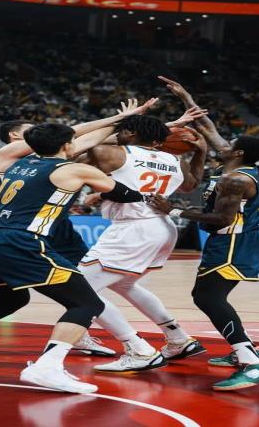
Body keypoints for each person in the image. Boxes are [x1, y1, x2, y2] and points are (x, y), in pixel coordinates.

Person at [0, 123, 148, 394]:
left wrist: (118, 121)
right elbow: (124, 194)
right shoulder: (73, 169)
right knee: (87, 303)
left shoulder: (15, 164)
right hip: (18, 241)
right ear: (67, 145)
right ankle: (47, 367)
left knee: (10, 300)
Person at [150, 76, 259, 391]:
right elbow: (207, 127)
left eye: (230, 144)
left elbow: (222, 218)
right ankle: (248, 349)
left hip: (236, 241)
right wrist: (185, 96)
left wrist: (173, 210)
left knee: (208, 296)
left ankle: (252, 361)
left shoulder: (236, 180)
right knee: (209, 296)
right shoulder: (234, 162)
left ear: (237, 153)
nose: (224, 144)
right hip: (234, 238)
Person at [78, 111, 208, 372]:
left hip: (133, 229)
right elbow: (191, 184)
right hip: (162, 227)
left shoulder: (114, 153)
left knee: (77, 290)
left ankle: (138, 349)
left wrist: (117, 125)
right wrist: (201, 153)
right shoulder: (175, 159)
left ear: (131, 133)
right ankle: (178, 338)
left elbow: (77, 146)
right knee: (125, 284)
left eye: (124, 130)